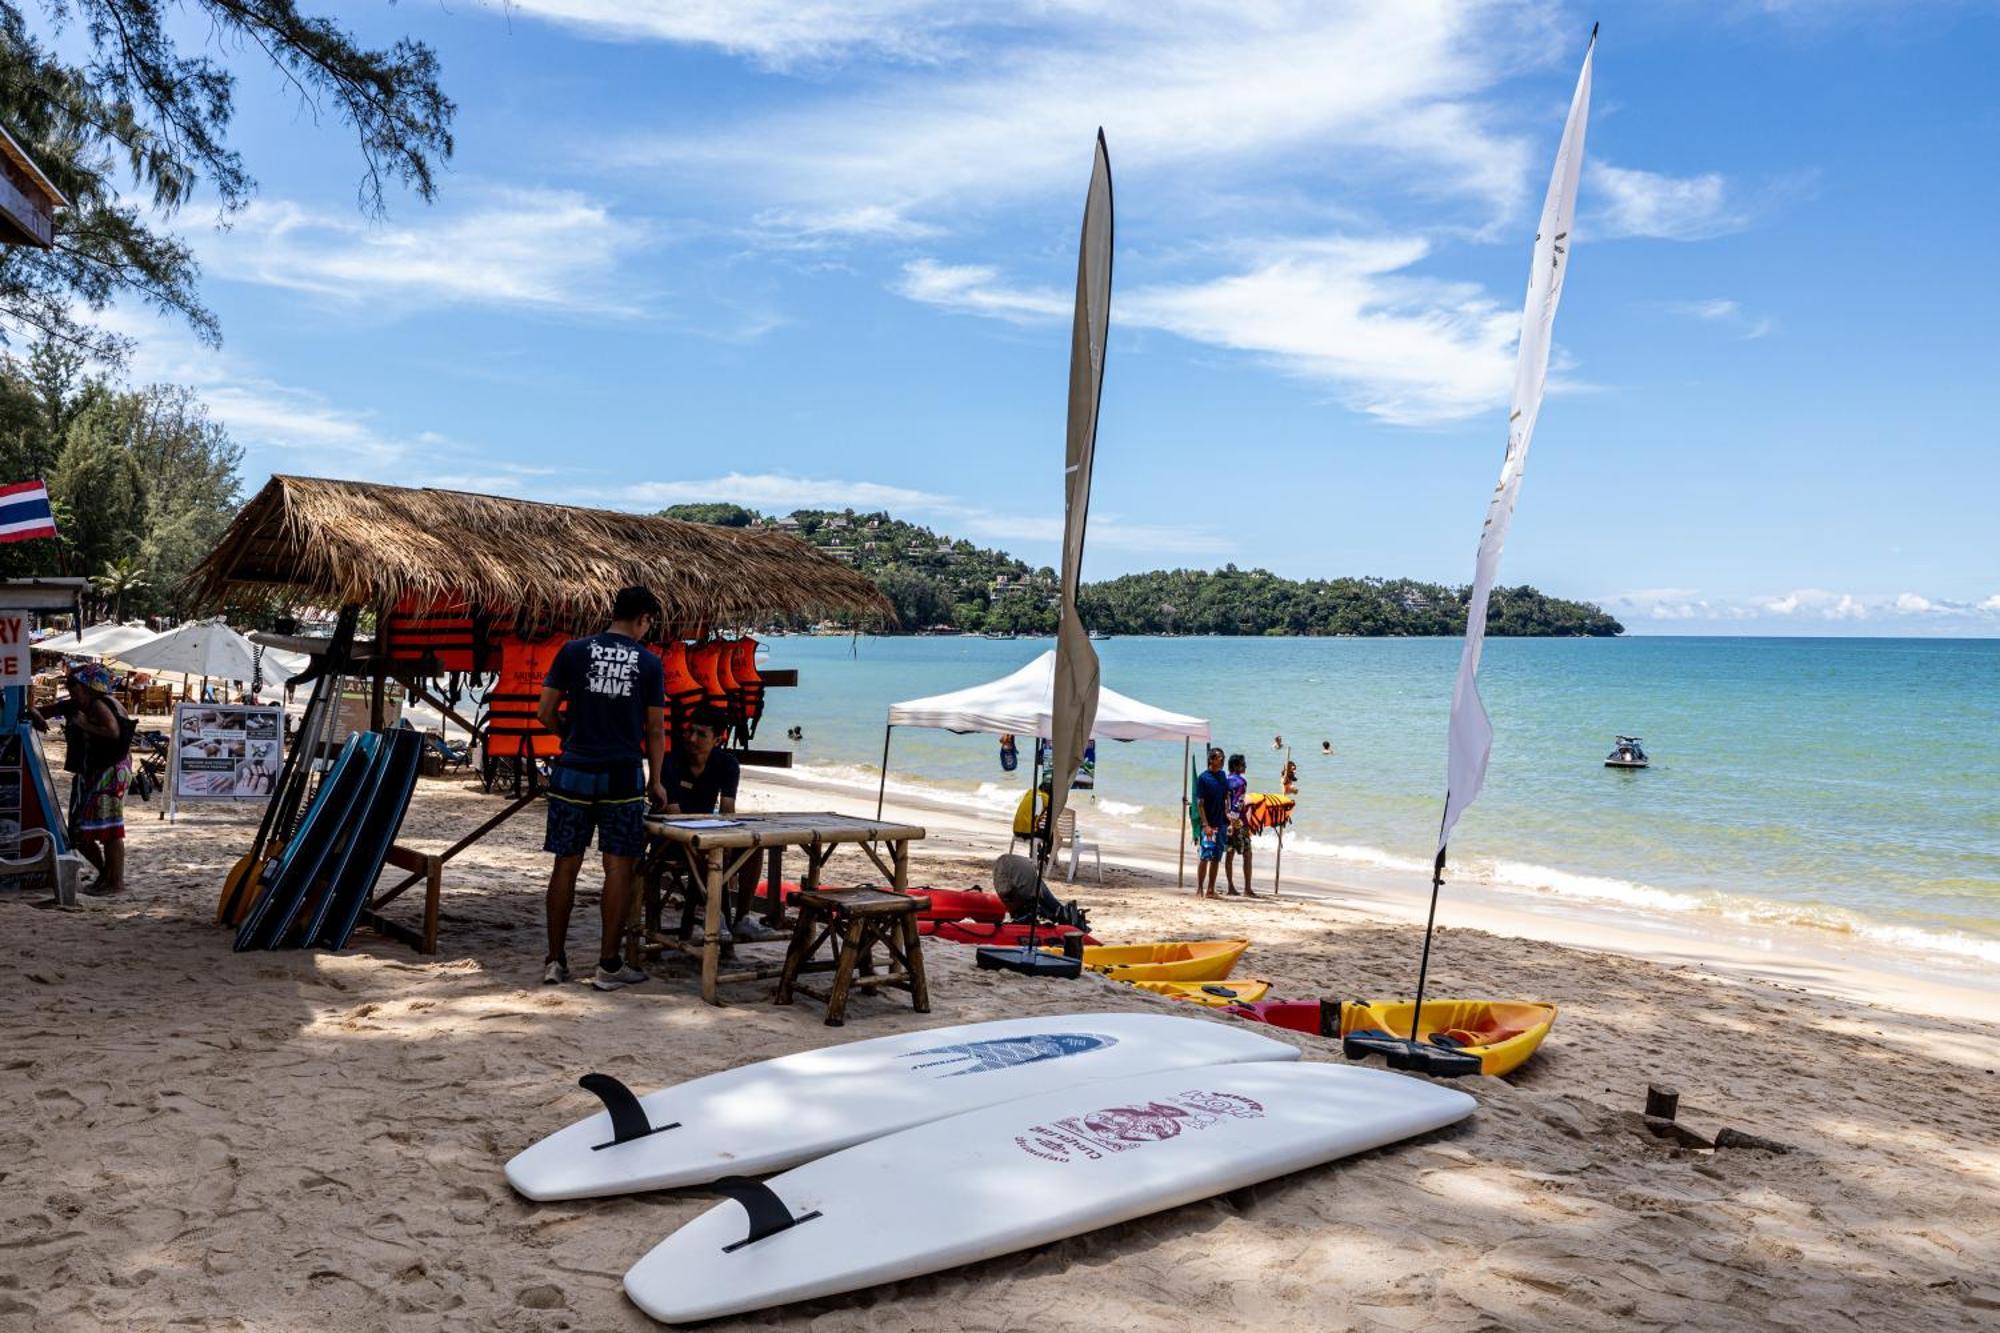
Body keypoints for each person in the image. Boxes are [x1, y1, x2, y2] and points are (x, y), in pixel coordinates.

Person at [537, 586, 670, 991]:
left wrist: (571, 736)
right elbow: (654, 729)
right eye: (650, 624)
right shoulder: (648, 663)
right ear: (644, 618)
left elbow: (545, 712)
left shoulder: (573, 651)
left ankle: (555, 961)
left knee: (566, 864)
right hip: (621, 777)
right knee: (618, 868)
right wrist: (657, 780)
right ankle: (608, 966)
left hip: (573, 772)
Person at [29, 662, 136, 894]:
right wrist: (35, 712)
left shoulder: (98, 704)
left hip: (110, 771)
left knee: (109, 829)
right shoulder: (80, 704)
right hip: (95, 771)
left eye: (73, 686)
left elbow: (113, 731)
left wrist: (84, 724)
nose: (70, 690)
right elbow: (45, 710)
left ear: (88, 687)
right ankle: (107, 876)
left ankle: (115, 881)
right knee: (80, 831)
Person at [1192, 747, 1228, 898]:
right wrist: (1205, 825)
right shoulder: (1203, 778)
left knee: (1216, 857)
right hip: (1209, 824)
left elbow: (1225, 797)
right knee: (1205, 856)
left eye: (1223, 757)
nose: (1222, 760)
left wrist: (1228, 816)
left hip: (1221, 823)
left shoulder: (1222, 775)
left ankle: (1211, 890)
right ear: (1211, 760)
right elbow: (1200, 804)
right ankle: (1199, 889)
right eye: (1220, 758)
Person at [1223, 752, 1257, 897]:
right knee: (1247, 854)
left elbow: (1225, 801)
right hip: (1239, 822)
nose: (1245, 766)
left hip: (1225, 820)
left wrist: (1227, 819)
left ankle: (1230, 887)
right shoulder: (1241, 782)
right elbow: (1238, 802)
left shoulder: (1224, 780)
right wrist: (1234, 820)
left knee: (1229, 854)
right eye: (1243, 764)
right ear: (1236, 766)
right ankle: (1247, 889)